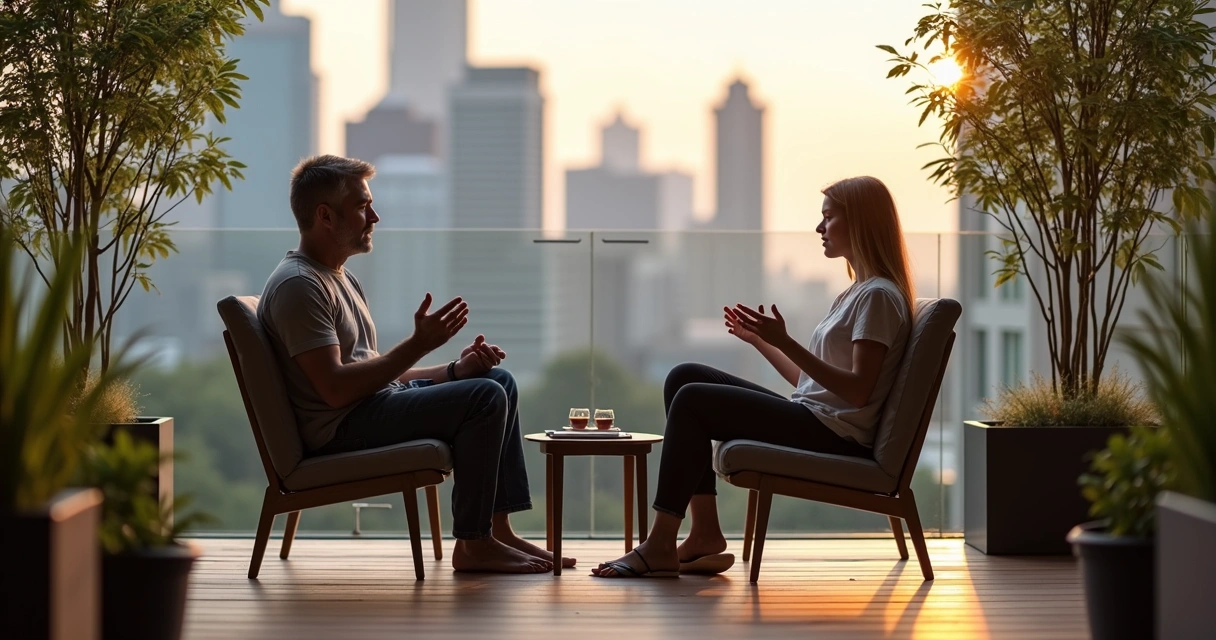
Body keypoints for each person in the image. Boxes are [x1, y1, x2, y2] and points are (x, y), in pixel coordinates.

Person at [258, 154, 574, 574]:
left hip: (368, 408)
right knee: (484, 397)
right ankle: (473, 546)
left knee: (497, 380)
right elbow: (335, 389)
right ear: (325, 216)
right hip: (341, 429)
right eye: (361, 206)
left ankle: (498, 530)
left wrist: (452, 371)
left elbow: (377, 372)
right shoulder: (301, 286)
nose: (375, 216)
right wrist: (418, 345)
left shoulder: (339, 277)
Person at [592, 176, 916, 578]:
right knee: (684, 376)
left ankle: (660, 542)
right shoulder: (856, 292)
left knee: (692, 400)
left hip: (833, 433)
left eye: (828, 218)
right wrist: (763, 342)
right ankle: (704, 533)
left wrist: (787, 340)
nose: (819, 229)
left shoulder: (878, 297)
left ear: (861, 224)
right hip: (814, 417)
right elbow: (810, 384)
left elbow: (857, 390)